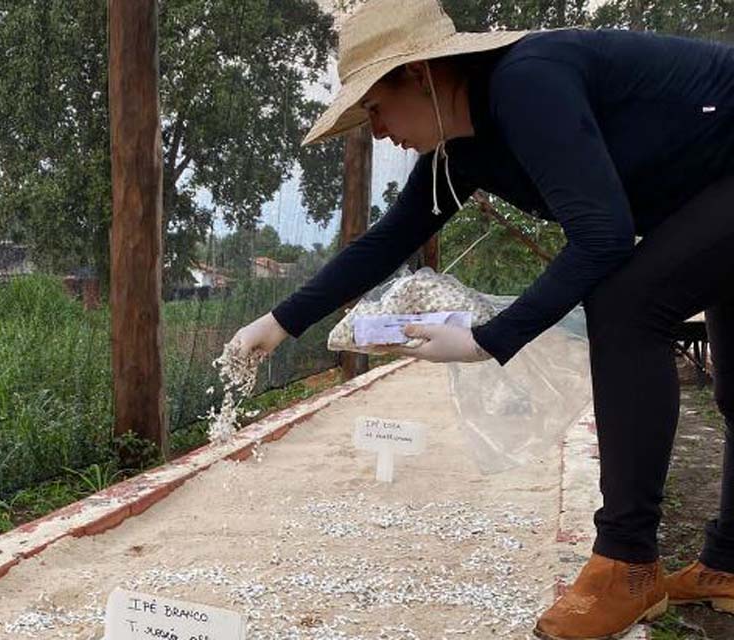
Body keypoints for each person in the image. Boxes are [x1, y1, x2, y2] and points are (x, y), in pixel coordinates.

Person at [230, 0, 734, 638]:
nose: (376, 130)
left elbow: (602, 237)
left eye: (376, 107)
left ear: (419, 74)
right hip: (709, 191)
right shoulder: (463, 148)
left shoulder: (527, 82)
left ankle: (626, 563)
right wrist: (278, 322)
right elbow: (389, 240)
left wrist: (487, 340)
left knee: (627, 305)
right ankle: (728, 562)